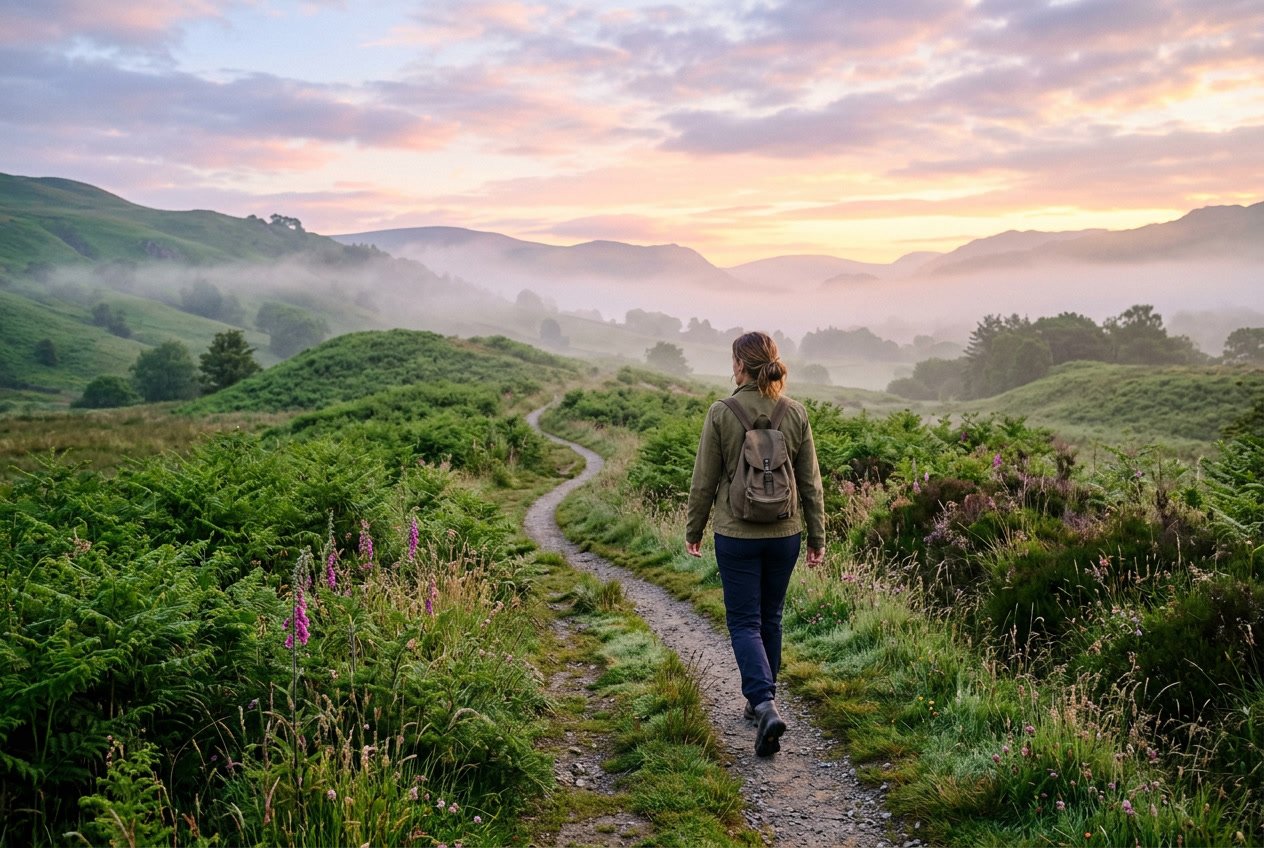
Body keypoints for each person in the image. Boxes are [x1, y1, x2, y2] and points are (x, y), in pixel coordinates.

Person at [685, 331, 826, 757]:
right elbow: (811, 484)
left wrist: (694, 529)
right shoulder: (796, 413)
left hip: (736, 535)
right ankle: (762, 700)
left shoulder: (721, 412)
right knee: (772, 617)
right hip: (786, 535)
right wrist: (817, 536)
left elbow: (704, 480)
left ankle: (763, 703)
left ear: (740, 366)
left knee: (744, 622)